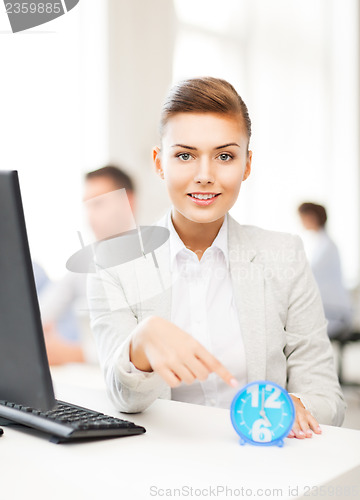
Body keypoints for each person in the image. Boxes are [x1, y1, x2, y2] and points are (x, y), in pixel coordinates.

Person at [87, 77, 346, 440]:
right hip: (156, 468)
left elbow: (328, 399)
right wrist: (140, 346)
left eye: (225, 156)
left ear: (247, 164)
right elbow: (123, 398)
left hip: (266, 466)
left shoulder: (283, 255)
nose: (205, 176)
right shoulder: (113, 263)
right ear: (159, 163)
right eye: (184, 155)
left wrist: (297, 405)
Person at [40, 165, 136, 365]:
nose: (90, 216)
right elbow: (41, 312)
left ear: (128, 202)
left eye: (98, 203)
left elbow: (138, 350)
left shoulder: (156, 262)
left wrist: (73, 354)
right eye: (88, 206)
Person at [298, 202, 352, 338]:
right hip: (328, 309)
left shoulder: (327, 246)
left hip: (334, 312)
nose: (301, 222)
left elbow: (307, 274)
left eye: (303, 217)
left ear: (312, 217)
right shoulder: (320, 243)